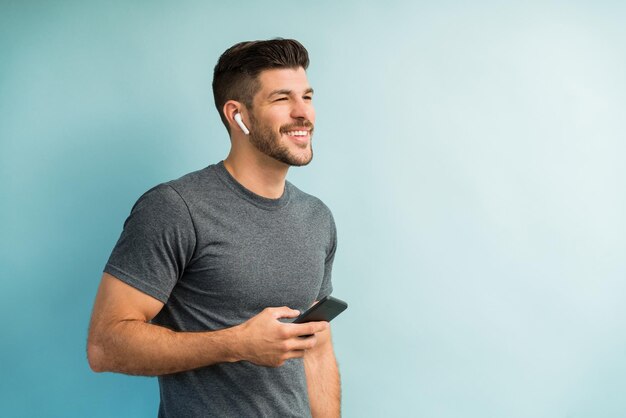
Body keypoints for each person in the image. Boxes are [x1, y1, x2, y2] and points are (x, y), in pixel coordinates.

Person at [87, 39, 341, 417]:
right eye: (282, 99)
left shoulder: (317, 217)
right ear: (237, 115)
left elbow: (316, 348)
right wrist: (237, 343)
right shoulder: (176, 208)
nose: (303, 113)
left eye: (307, 96)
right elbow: (105, 345)